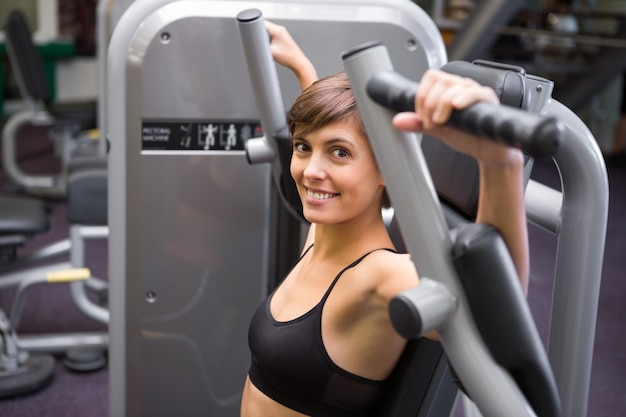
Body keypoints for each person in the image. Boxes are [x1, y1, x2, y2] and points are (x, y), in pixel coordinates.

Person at [241, 22, 529, 417]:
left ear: (386, 170)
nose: (310, 171)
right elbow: (326, 148)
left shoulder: (378, 277)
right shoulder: (326, 235)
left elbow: (499, 309)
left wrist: (500, 161)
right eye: (303, 147)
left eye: (339, 153)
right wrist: (302, 70)